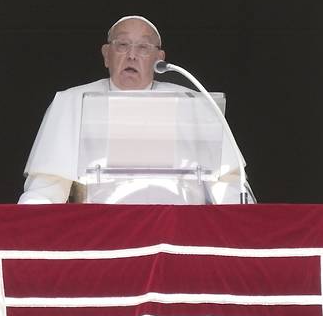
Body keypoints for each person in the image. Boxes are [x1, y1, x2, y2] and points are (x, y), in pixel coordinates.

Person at [19, 15, 250, 204]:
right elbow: (44, 193)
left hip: (179, 232)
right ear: (106, 55)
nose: (131, 55)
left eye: (143, 47)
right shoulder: (71, 102)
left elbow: (229, 186)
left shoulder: (193, 104)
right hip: (103, 235)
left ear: (159, 59)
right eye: (122, 45)